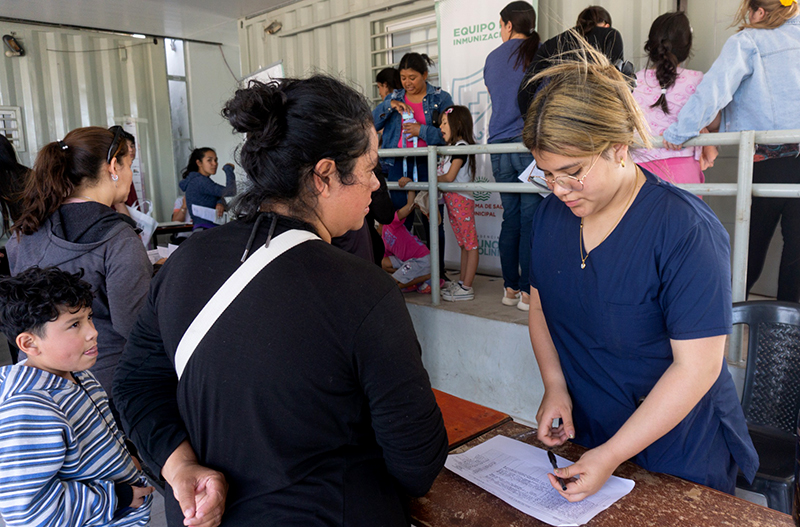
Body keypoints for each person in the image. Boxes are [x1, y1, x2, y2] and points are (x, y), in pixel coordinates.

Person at [113, 75, 448, 526]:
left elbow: (134, 384)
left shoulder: (186, 260)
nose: (375, 184)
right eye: (370, 168)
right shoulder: (364, 291)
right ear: (324, 175)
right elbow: (417, 463)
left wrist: (180, 466)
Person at [523, 42, 757, 501]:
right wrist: (555, 386)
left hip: (679, 449)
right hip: (593, 431)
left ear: (618, 147)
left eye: (571, 172)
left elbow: (697, 368)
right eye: (546, 174)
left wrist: (611, 455)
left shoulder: (684, 229)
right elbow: (540, 307)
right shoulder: (550, 217)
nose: (559, 189)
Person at [6, 126, 152, 415]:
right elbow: (135, 326)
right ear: (113, 167)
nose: (129, 175)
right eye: (129, 166)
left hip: (37, 386)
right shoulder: (118, 238)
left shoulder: (27, 228)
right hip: (104, 386)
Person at [663, 0, 800, 302]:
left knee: (751, 246)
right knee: (796, 254)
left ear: (759, 12)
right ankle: (785, 330)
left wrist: (679, 132)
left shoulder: (750, 40)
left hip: (771, 159)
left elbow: (714, 90)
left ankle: (728, 318)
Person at [0, 267, 153, 526]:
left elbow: (97, 432)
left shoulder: (77, 374)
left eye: (88, 318)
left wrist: (125, 454)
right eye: (74, 324)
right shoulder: (30, 410)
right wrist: (117, 497)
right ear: (29, 344)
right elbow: (28, 512)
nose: (93, 332)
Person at [484, 1, 543, 310]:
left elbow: (497, 96)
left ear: (508, 25)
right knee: (531, 220)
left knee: (511, 218)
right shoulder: (541, 51)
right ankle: (527, 293)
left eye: (500, 25)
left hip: (498, 147)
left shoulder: (492, 58)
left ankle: (509, 289)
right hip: (528, 145)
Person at [373, 52, 453, 272]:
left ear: (425, 75)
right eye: (403, 77)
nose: (407, 83)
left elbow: (449, 134)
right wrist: (389, 106)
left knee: (433, 222)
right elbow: (372, 124)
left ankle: (437, 275)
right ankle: (405, 274)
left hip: (429, 164)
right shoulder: (394, 97)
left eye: (413, 77)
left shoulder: (440, 98)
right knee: (399, 222)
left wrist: (422, 131)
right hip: (399, 165)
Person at [632, 12, 718, 185]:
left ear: (650, 46)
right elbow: (714, 122)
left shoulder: (632, 81)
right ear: (687, 48)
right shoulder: (698, 80)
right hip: (683, 172)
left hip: (638, 174)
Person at [517, 6, 624, 116]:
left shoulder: (552, 44)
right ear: (607, 25)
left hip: (558, 116)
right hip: (596, 117)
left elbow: (525, 91)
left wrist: (533, 120)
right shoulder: (610, 35)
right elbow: (618, 86)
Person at [437, 106, 479, 302]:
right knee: (464, 244)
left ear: (458, 124)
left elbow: (450, 176)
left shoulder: (461, 147)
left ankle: (467, 287)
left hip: (461, 200)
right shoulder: (452, 148)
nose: (441, 127)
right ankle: (462, 282)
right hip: (452, 201)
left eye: (445, 123)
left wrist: (430, 179)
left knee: (470, 244)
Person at [381, 191, 433, 292]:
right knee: (383, 263)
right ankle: (413, 280)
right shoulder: (383, 235)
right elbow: (384, 263)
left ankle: (428, 276)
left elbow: (410, 206)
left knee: (392, 285)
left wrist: (411, 187)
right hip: (407, 261)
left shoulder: (392, 221)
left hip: (420, 260)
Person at [178, 148, 237, 230]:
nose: (215, 164)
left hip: (203, 228)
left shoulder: (196, 180)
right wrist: (228, 169)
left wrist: (219, 202)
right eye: (209, 160)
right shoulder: (200, 181)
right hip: (206, 229)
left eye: (216, 160)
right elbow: (230, 191)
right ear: (199, 163)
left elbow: (214, 195)